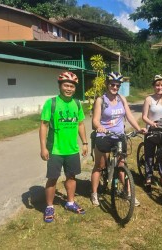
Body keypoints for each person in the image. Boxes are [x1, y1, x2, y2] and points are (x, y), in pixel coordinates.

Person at [90, 72, 147, 207]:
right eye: (112, 84)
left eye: (117, 85)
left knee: (122, 165)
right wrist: (99, 127)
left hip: (119, 136)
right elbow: (95, 121)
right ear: (107, 84)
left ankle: (128, 192)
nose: (114, 87)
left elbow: (129, 115)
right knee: (100, 166)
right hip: (104, 136)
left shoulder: (121, 99)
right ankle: (94, 193)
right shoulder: (101, 100)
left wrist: (139, 128)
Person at [39, 71, 88, 223]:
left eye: (72, 86)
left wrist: (85, 143)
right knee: (53, 178)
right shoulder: (51, 103)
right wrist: (43, 147)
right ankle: (49, 207)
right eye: (66, 85)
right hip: (55, 149)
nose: (69, 88)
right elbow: (43, 125)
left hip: (72, 149)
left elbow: (80, 124)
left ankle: (70, 202)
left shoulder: (77, 103)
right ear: (60, 86)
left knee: (71, 177)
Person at [141, 74, 162, 193]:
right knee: (149, 155)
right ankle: (148, 178)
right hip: (151, 130)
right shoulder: (149, 99)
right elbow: (144, 116)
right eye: (157, 85)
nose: (160, 87)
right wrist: (151, 123)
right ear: (154, 86)